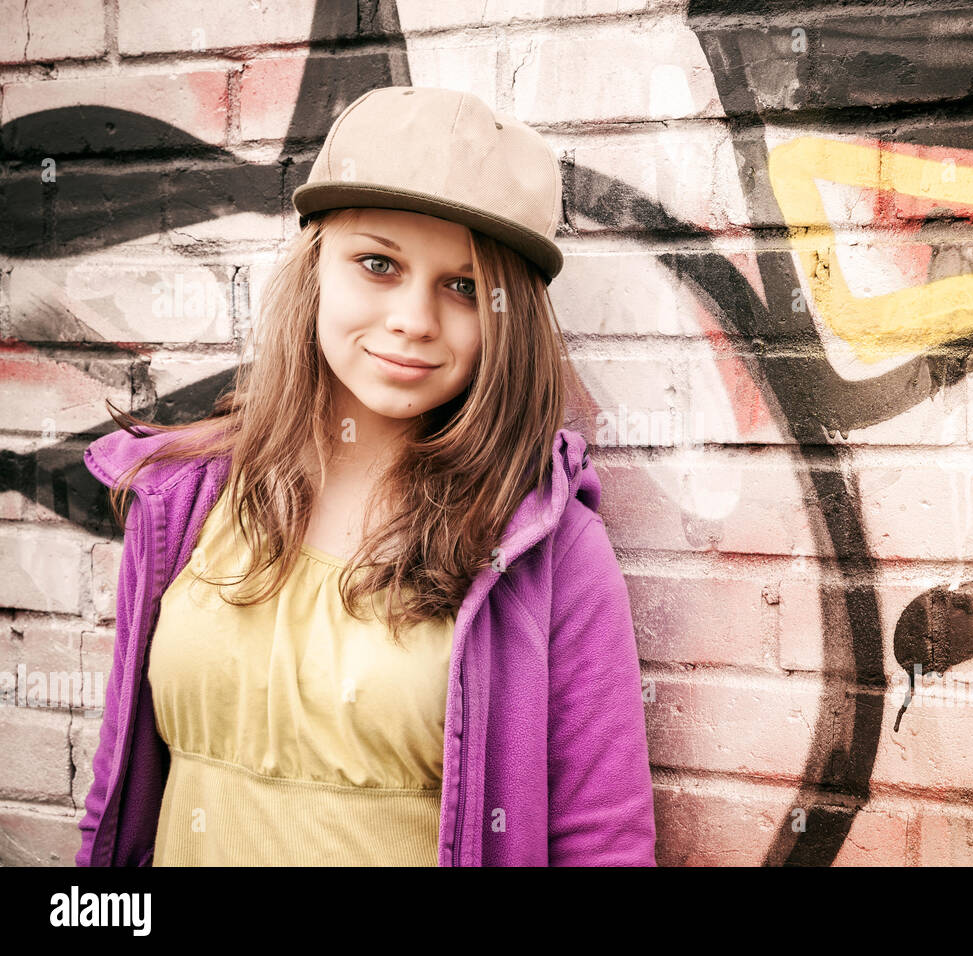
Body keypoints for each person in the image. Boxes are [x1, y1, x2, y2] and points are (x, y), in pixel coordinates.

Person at [74, 87, 656, 866]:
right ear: (316, 269)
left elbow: (602, 849)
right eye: (378, 263)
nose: (415, 318)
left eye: (462, 286)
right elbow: (116, 804)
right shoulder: (184, 499)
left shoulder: (549, 554)